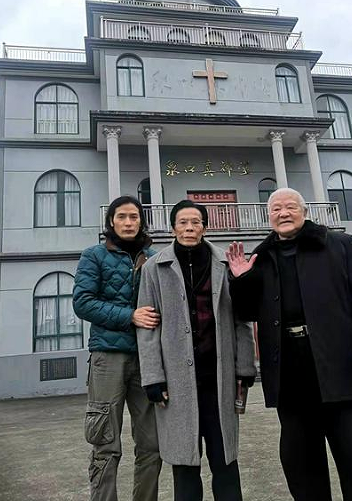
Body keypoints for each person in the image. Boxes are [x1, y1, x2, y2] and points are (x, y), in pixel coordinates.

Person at [226, 187, 352, 501]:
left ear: (304, 212)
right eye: (276, 209)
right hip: (290, 373)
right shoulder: (262, 257)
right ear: (268, 216)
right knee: (301, 462)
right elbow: (246, 312)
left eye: (290, 207)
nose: (283, 213)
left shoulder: (339, 245)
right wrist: (241, 279)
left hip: (340, 367)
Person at [136, 199, 257, 501]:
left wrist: (245, 366)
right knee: (185, 468)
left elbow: (241, 319)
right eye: (182, 222)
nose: (189, 228)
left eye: (196, 222)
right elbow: (147, 325)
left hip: (219, 379)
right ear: (173, 227)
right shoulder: (154, 268)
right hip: (176, 385)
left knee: (225, 463)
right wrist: (153, 377)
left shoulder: (225, 263)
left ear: (205, 226)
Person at [72, 195, 162, 501]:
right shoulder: (93, 255)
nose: (127, 222)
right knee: (105, 441)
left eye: (133, 217)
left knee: (152, 444)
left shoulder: (153, 258)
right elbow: (83, 303)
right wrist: (130, 316)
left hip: (147, 359)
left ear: (141, 221)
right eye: (121, 216)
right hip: (107, 357)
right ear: (111, 221)